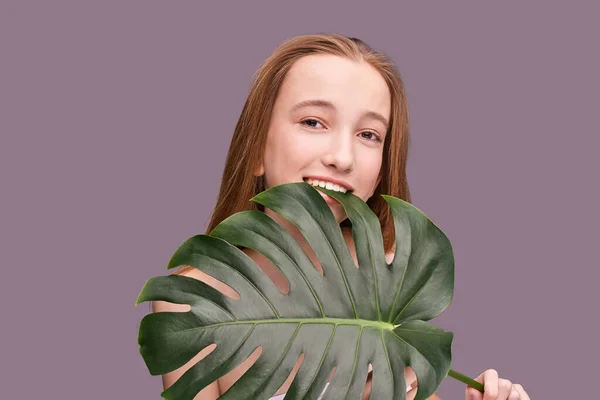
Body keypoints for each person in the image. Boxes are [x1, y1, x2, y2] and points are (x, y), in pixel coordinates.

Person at [151, 33, 531, 400]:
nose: (343, 158)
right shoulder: (195, 301)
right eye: (313, 122)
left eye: (368, 134)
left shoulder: (389, 280)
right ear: (256, 149)